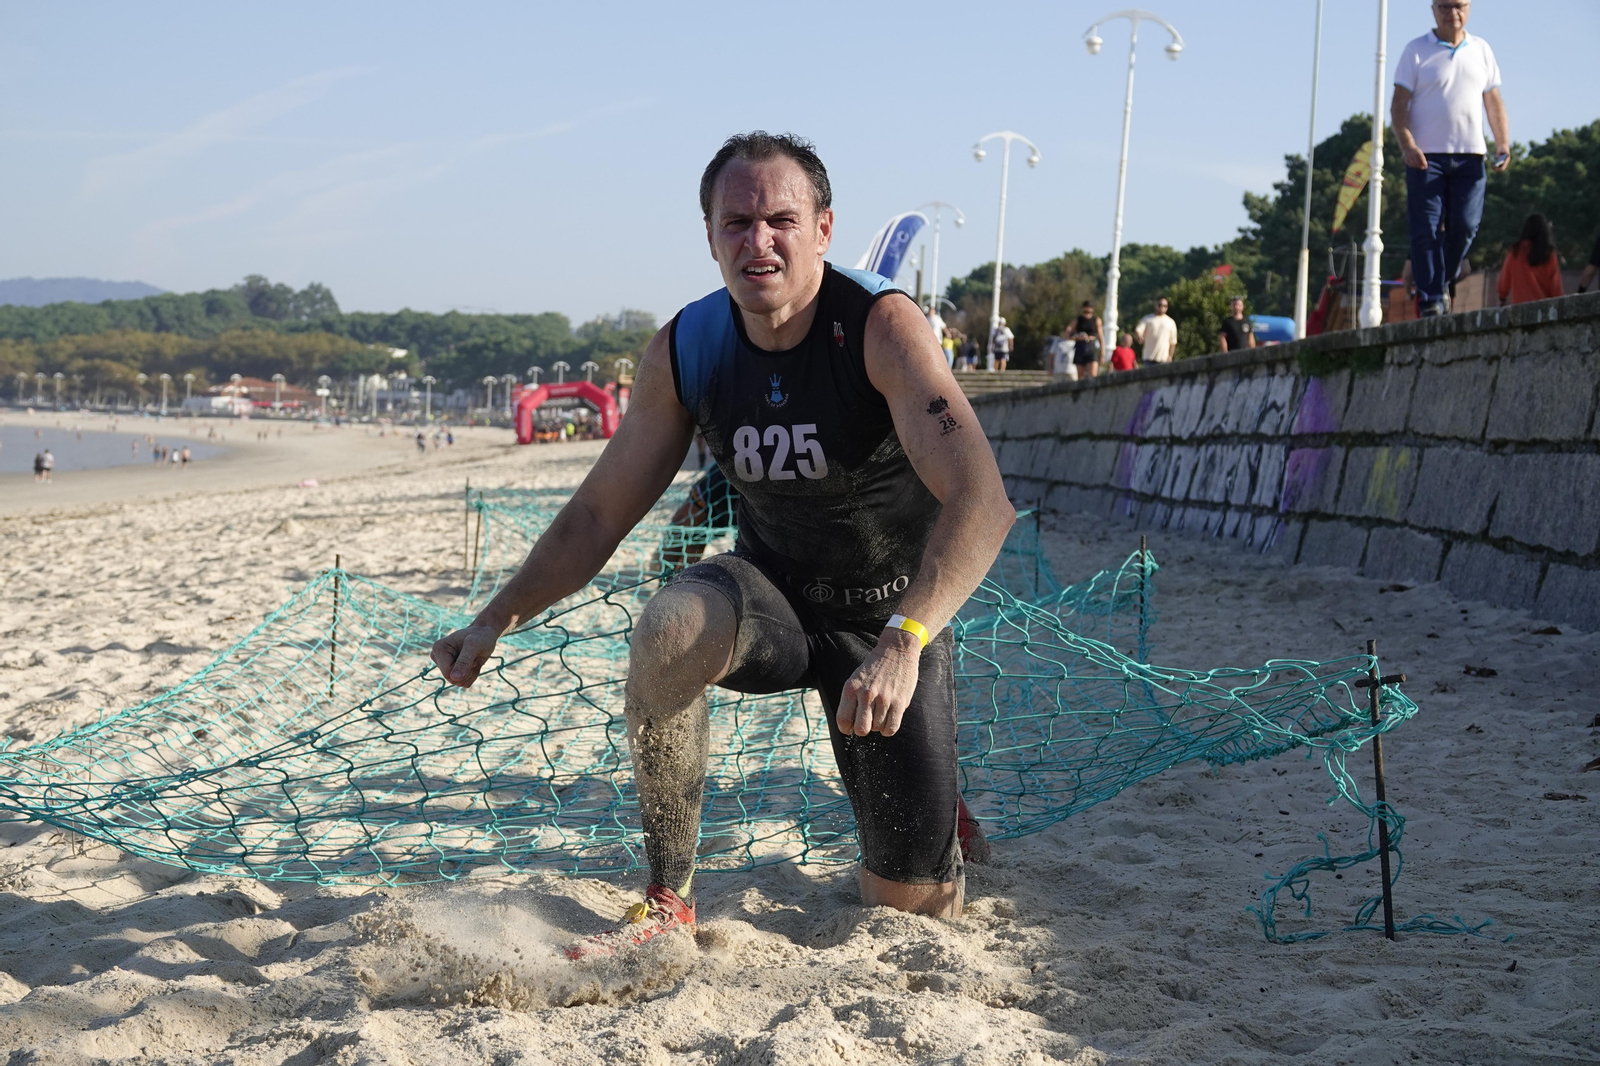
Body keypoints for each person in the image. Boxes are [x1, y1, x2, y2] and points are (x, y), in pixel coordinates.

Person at [430, 131, 1013, 956]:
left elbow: (982, 501)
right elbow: (599, 514)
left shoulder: (878, 325)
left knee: (906, 907)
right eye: (735, 222)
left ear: (824, 229)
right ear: (708, 235)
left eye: (781, 219)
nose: (759, 241)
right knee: (667, 627)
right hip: (771, 595)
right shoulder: (689, 347)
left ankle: (940, 816)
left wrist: (907, 640)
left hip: (886, 618)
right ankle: (668, 895)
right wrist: (496, 617)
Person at [1391, 0, 1510, 317]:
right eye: (1444, 5)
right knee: (1425, 229)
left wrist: (1502, 143)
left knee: (1465, 225)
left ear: (1468, 8)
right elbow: (1398, 106)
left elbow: (1493, 100)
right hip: (1425, 158)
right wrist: (1407, 145)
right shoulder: (1416, 50)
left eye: (1458, 5)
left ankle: (1440, 281)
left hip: (1471, 156)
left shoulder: (1481, 49)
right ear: (1433, 9)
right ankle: (1430, 298)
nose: (1451, 12)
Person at [1496, 213, 1563, 305]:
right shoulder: (1549, 253)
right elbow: (1556, 287)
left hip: (1519, 310)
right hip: (1544, 310)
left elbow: (1504, 282)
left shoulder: (1515, 251)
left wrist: (1502, 298)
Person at [1134, 295, 1178, 364]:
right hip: (1148, 358)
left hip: (1163, 358)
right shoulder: (1147, 319)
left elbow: (1173, 342)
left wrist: (1170, 356)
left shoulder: (1170, 322)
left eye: (1165, 306)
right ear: (1155, 305)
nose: (1162, 307)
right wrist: (1139, 336)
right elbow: (1138, 330)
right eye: (1160, 305)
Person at [1070, 300, 1104, 379]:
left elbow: (1101, 337)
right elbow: (1069, 333)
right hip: (1080, 347)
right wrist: (1077, 337)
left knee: (1093, 375)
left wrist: (1102, 353)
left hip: (1091, 346)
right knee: (1080, 376)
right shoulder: (1078, 320)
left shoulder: (1096, 320)